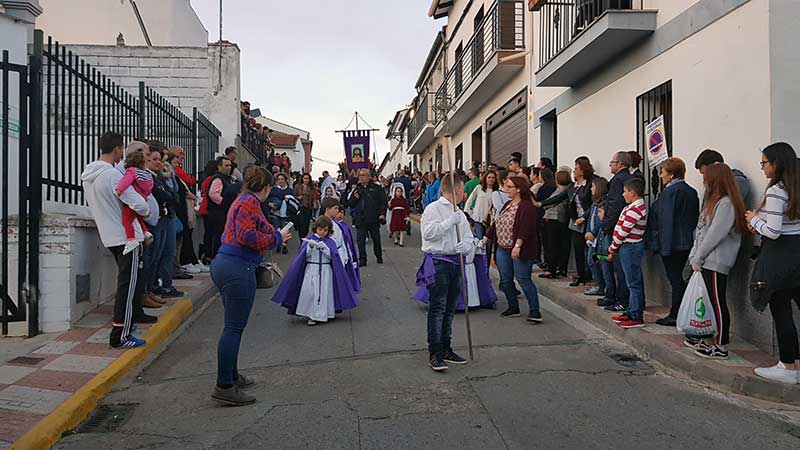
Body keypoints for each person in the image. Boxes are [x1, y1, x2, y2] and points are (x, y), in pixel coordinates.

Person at [211, 166, 291, 406]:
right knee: (233, 328)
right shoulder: (250, 203)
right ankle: (225, 386)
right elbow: (246, 236)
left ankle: (232, 375)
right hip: (238, 267)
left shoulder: (242, 200)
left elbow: (261, 226)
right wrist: (276, 239)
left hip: (225, 264)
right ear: (265, 188)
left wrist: (274, 233)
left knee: (232, 326)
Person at [81, 132, 154, 349]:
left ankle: (125, 326)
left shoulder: (89, 175)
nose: (122, 153)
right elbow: (138, 204)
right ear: (117, 149)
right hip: (127, 237)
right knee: (128, 287)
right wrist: (145, 209)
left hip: (110, 236)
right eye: (121, 149)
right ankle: (120, 335)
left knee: (125, 284)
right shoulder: (113, 175)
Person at [747, 142, 800, 384]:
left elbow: (773, 231)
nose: (762, 168)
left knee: (781, 311)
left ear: (776, 163)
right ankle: (795, 364)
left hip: (780, 257)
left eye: (764, 163)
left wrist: (754, 219)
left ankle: (787, 366)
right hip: (796, 252)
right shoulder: (795, 187)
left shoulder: (777, 191)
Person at [685, 163, 746, 359]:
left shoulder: (726, 204)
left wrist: (699, 256)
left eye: (707, 178)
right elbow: (700, 232)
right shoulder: (714, 202)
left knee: (717, 302)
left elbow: (714, 234)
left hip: (715, 261)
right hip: (704, 260)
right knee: (708, 302)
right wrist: (695, 255)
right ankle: (708, 340)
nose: (704, 182)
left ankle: (722, 345)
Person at [416, 174, 475, 371]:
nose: (463, 193)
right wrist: (449, 222)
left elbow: (469, 237)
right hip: (438, 262)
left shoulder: (460, 213)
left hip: (456, 262)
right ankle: (435, 352)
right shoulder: (433, 209)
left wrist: (466, 245)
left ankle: (446, 347)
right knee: (438, 308)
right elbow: (428, 234)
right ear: (457, 190)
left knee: (450, 308)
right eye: (462, 190)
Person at [273, 215, 358, 325]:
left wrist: (325, 250)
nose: (322, 232)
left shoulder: (330, 241)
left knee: (325, 292)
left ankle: (325, 314)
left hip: (326, 270)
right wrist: (311, 247)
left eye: (325, 230)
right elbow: (303, 256)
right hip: (312, 269)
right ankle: (312, 314)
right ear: (316, 228)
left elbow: (334, 257)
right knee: (311, 292)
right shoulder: (309, 240)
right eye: (320, 229)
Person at [647, 157, 700, 326]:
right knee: (678, 278)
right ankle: (680, 312)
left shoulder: (670, 192)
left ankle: (677, 313)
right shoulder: (691, 191)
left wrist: (662, 246)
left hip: (672, 243)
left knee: (675, 279)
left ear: (671, 174)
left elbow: (666, 221)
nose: (660, 175)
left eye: (662, 172)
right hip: (686, 241)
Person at [486, 175, 542, 321]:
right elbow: (497, 222)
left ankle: (535, 311)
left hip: (519, 249)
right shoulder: (508, 204)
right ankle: (513, 306)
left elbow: (526, 228)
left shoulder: (526, 206)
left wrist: (518, 245)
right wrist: (486, 238)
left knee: (523, 279)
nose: (506, 189)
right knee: (505, 280)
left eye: (510, 187)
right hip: (502, 248)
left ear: (518, 189)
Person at [145, 142, 184, 300]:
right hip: (159, 219)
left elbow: (174, 193)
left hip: (168, 215)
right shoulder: (151, 177)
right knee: (157, 255)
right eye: (159, 159)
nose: (162, 163)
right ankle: (154, 287)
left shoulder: (163, 176)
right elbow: (165, 195)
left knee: (167, 253)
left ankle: (162, 285)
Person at [608, 177, 648, 328]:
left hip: (630, 246)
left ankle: (636, 315)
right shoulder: (631, 207)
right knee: (630, 280)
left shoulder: (636, 209)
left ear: (632, 192)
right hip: (626, 246)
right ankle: (630, 311)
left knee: (633, 282)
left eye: (625, 191)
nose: (623, 194)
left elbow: (624, 230)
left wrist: (613, 246)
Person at [600, 151, 634, 311]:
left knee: (619, 267)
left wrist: (606, 225)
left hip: (616, 229)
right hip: (621, 228)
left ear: (620, 164)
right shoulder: (627, 178)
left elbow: (615, 204)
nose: (610, 165)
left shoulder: (618, 180)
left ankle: (621, 300)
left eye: (612, 162)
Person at [346, 169, 388, 266]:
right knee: (360, 240)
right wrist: (355, 198)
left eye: (363, 175)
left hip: (373, 218)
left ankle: (378, 255)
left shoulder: (377, 188)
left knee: (376, 239)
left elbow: (383, 202)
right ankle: (362, 259)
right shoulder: (357, 189)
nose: (361, 177)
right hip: (361, 219)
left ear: (369, 177)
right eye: (360, 175)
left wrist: (382, 213)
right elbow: (350, 204)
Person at [115, 151, 154, 255]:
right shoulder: (147, 175)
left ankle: (131, 240)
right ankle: (146, 232)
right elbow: (149, 188)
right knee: (138, 218)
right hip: (143, 199)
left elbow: (126, 181)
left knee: (126, 221)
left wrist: (119, 190)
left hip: (133, 202)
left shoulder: (131, 171)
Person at [536, 169, 571, 278]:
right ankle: (561, 268)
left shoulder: (560, 190)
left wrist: (541, 204)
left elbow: (551, 201)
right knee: (561, 245)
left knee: (552, 245)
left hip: (553, 218)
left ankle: (551, 269)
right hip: (562, 219)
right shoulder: (568, 189)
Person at [207, 157, 236, 260]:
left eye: (230, 165)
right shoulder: (218, 179)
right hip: (218, 213)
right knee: (218, 236)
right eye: (226, 165)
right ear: (219, 166)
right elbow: (213, 194)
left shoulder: (226, 178)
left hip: (222, 212)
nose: (229, 168)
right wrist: (225, 203)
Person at [584, 177, 609, 297]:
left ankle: (603, 286)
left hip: (599, 239)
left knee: (600, 262)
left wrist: (593, 232)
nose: (591, 189)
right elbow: (590, 219)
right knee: (591, 261)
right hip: (592, 240)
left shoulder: (604, 204)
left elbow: (600, 222)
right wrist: (588, 231)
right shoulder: (594, 204)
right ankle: (599, 284)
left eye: (593, 186)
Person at [333, 205, 361, 292]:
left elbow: (349, 241)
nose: (340, 215)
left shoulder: (345, 226)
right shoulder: (333, 225)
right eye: (338, 213)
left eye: (342, 213)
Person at [464, 170, 498, 240]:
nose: (491, 179)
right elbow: (469, 201)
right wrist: (470, 214)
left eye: (493, 178)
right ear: (485, 178)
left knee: (488, 241)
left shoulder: (497, 191)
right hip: (478, 219)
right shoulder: (479, 188)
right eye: (489, 177)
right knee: (479, 239)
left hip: (491, 221)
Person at [265, 172, 293, 254]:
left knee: (285, 229)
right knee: (277, 228)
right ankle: (278, 244)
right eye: (279, 179)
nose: (280, 181)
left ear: (285, 180)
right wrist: (270, 204)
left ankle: (284, 246)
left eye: (282, 179)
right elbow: (267, 199)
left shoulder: (289, 190)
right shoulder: (274, 190)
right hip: (275, 212)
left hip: (286, 213)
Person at [294, 173, 319, 239]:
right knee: (301, 225)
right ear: (302, 179)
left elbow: (314, 197)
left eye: (307, 178)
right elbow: (293, 196)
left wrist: (314, 204)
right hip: (300, 207)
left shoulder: (312, 188)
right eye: (305, 178)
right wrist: (298, 197)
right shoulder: (298, 186)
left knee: (306, 225)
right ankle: (301, 239)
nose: (306, 180)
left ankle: (304, 238)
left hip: (308, 208)